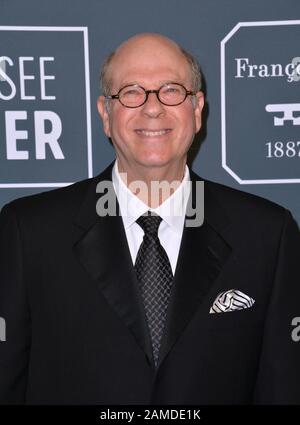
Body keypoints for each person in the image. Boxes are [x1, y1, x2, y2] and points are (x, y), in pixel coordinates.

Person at [0, 33, 300, 405]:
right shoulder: (29, 233)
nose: (152, 108)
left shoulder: (268, 235)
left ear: (197, 109)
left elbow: (281, 387)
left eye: (171, 90)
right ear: (105, 114)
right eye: (131, 92)